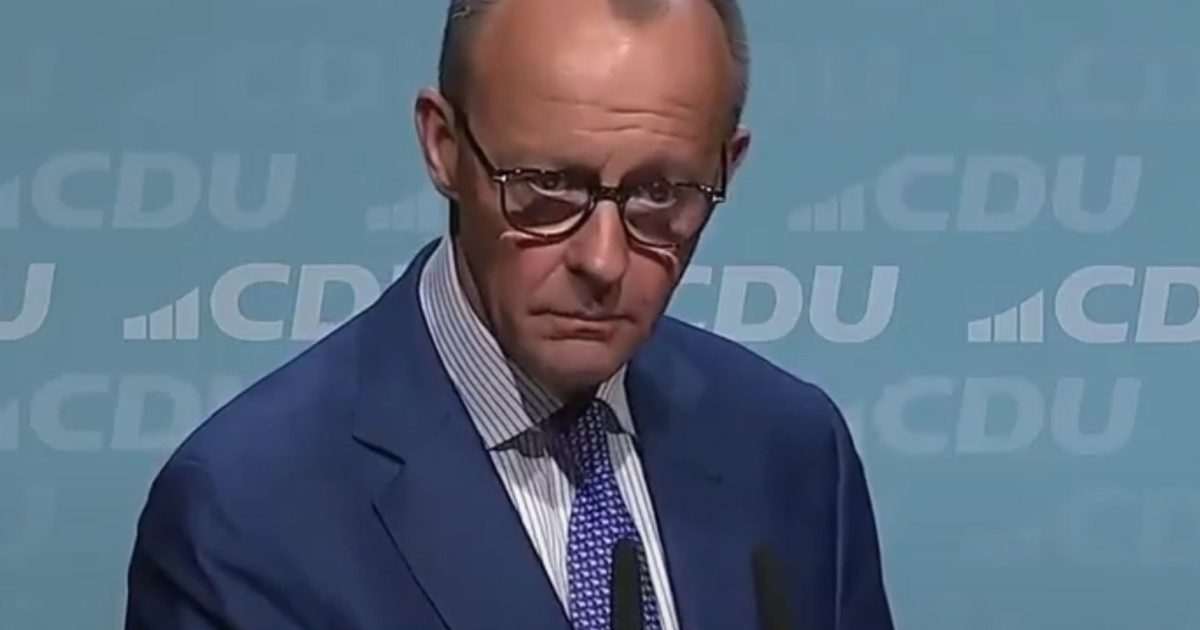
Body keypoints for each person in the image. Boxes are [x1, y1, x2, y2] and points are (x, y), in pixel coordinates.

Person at [124, 0, 895, 627]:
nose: (603, 259)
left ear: (727, 166)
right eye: (546, 187)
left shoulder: (792, 448)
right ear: (444, 147)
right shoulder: (245, 513)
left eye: (661, 195)